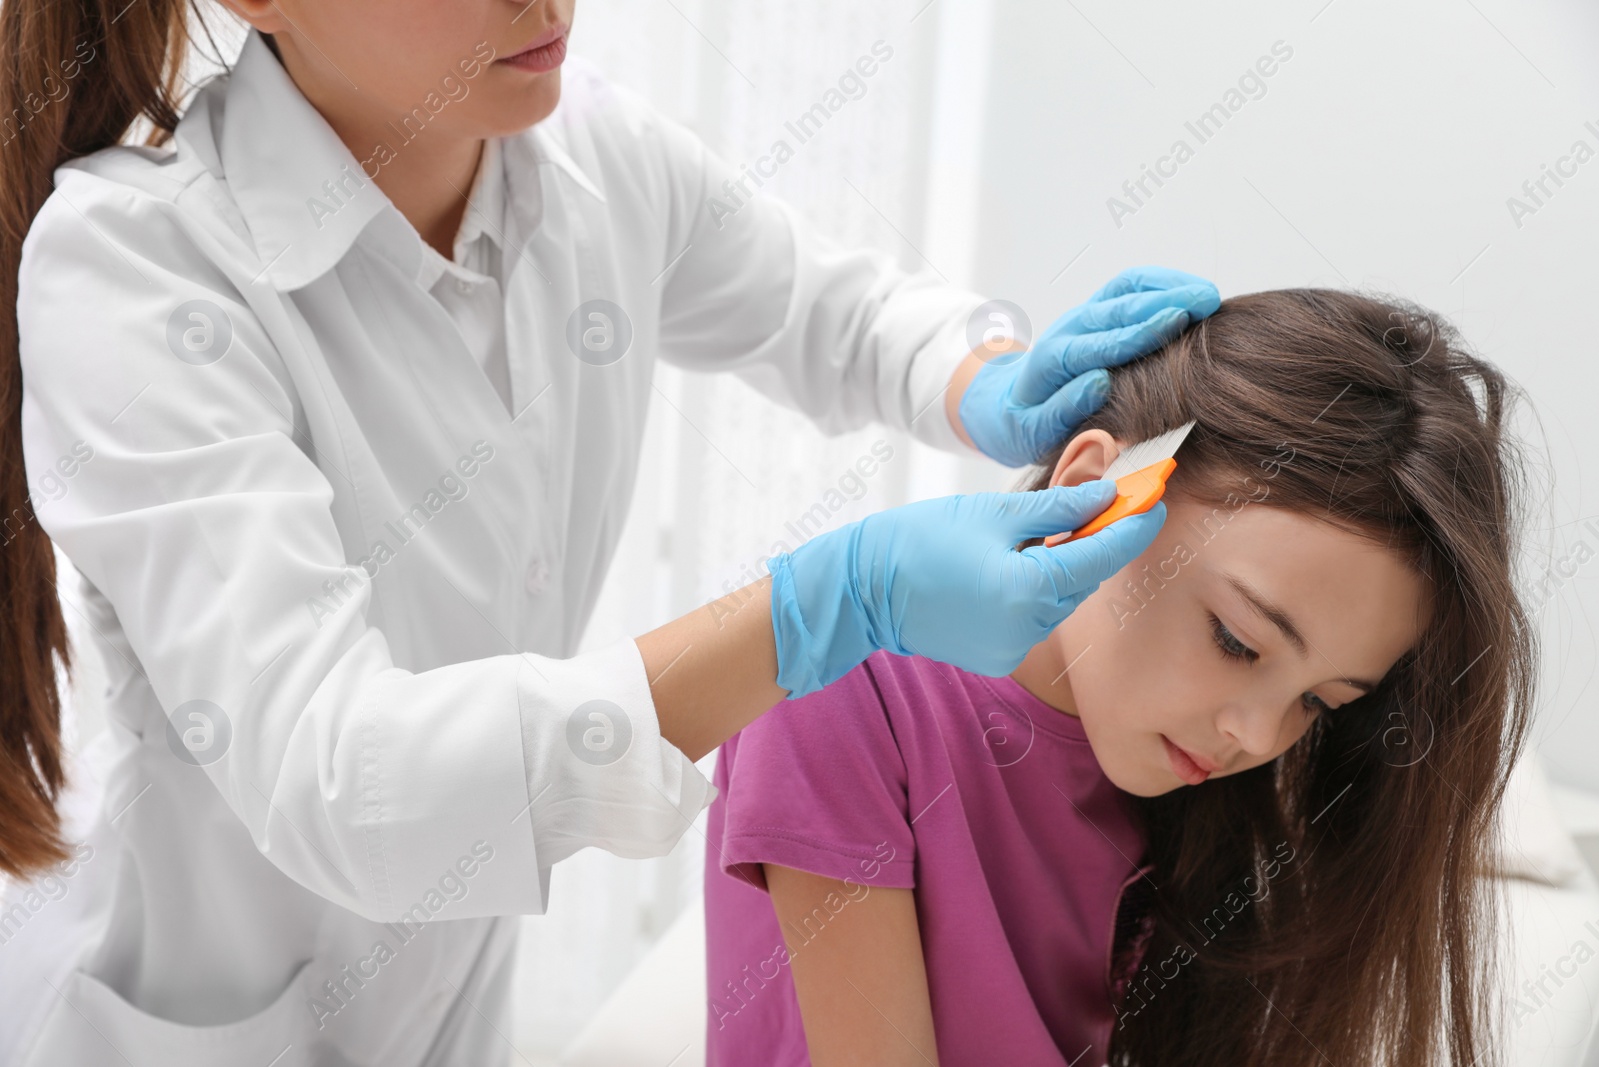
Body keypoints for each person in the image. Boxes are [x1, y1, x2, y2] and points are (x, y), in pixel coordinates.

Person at [0, 0, 1222, 1064]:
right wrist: (823, 606)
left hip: (446, 1019)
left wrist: (995, 377)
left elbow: (829, 311)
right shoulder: (137, 271)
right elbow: (345, 784)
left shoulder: (593, 161)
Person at [704, 289, 1536, 1067]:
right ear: (1090, 490)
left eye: (1319, 701)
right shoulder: (840, 684)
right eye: (1237, 641)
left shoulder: (1183, 786)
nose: (1258, 735)